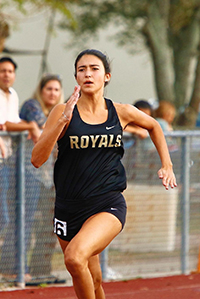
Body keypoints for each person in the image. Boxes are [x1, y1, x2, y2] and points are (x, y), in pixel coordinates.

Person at [31, 49, 177, 299]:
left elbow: (153, 125)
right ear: (76, 77)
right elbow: (37, 159)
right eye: (81, 69)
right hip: (68, 206)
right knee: (93, 277)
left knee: (75, 259)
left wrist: (167, 164)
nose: (88, 73)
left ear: (106, 76)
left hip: (106, 204)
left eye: (94, 68)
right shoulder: (61, 111)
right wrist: (61, 121)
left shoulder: (120, 112)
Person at [19, 74, 64, 280]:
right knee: (24, 222)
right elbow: (49, 128)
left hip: (51, 179)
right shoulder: (31, 106)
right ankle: (18, 269)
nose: (53, 93)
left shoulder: (60, 112)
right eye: (49, 89)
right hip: (29, 175)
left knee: (50, 224)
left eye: (56, 90)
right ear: (41, 90)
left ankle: (41, 270)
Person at [0, 56, 41, 279]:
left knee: (11, 217)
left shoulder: (13, 95)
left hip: (7, 162)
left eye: (10, 71)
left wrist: (29, 127)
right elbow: (3, 125)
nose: (6, 74)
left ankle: (12, 269)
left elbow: (12, 123)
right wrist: (32, 125)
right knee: (3, 218)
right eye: (2, 71)